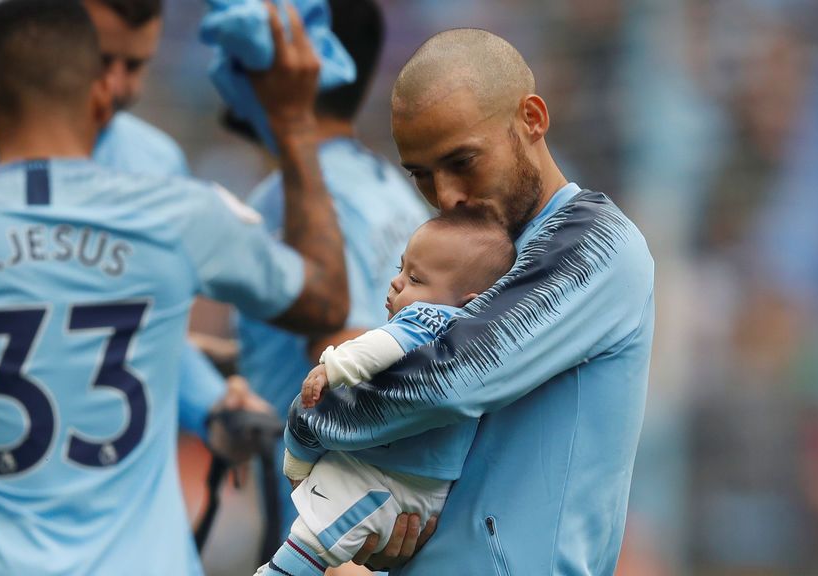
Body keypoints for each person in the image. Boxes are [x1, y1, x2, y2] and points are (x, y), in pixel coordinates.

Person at [0, 2, 347, 574]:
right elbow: (323, 299)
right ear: (96, 92)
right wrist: (297, 123)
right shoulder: (177, 212)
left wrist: (206, 404)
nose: (123, 83)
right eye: (109, 63)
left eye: (137, 64)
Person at [284, 28, 655, 573]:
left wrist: (306, 423)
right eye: (422, 175)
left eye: (463, 161)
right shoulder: (459, 249)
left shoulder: (598, 244)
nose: (447, 195)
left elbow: (447, 380)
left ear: (532, 118)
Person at [232, 0, 430, 551]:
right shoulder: (392, 189)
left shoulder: (288, 204)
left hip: (321, 529)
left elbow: (344, 363)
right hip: (379, 518)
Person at [259, 210, 516, 576]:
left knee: (319, 531)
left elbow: (380, 344)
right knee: (326, 515)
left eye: (414, 278)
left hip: (395, 476)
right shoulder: (475, 342)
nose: (396, 283)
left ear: (466, 300)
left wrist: (333, 366)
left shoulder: (436, 319)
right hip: (418, 478)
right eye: (400, 269)